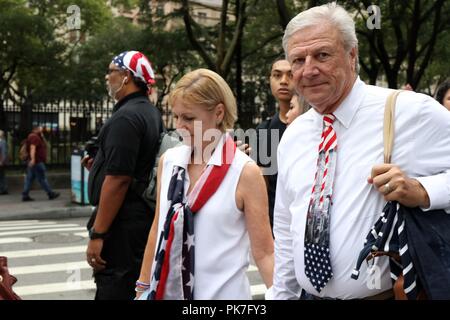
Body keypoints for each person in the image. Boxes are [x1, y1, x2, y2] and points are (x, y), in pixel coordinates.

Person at [272, 2, 450, 300]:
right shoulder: (294, 135)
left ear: (351, 55)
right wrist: (282, 295)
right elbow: (286, 229)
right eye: (298, 60)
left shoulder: (408, 111)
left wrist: (422, 190)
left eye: (322, 55)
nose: (309, 70)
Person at [136, 69, 274, 300]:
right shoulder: (168, 162)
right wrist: (141, 288)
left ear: (219, 112)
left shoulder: (245, 172)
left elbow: (265, 252)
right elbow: (157, 229)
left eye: (189, 118)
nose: (180, 126)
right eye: (176, 116)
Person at [83, 50, 164, 300]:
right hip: (138, 222)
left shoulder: (126, 117)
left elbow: (119, 179)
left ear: (127, 76)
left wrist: (98, 234)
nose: (108, 78)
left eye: (111, 71)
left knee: (115, 289)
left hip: (123, 228)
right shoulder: (148, 112)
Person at [256, 58, 294, 231]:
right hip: (276, 226)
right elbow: (261, 189)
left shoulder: (317, 126)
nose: (284, 81)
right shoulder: (264, 131)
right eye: (277, 75)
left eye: (290, 75)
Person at [21, 126, 60, 201]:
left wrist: (42, 136)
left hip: (35, 162)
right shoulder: (34, 137)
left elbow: (45, 144)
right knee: (42, 178)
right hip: (37, 162)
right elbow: (33, 148)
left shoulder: (35, 137)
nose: (41, 129)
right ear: (35, 129)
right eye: (40, 128)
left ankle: (25, 195)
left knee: (29, 178)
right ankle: (50, 193)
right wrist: (33, 159)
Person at [0, 130, 8, 195]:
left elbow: (4, 152)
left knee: (2, 176)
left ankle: (3, 189)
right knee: (2, 176)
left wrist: (2, 161)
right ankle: (3, 189)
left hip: (1, 161)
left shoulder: (2, 142)